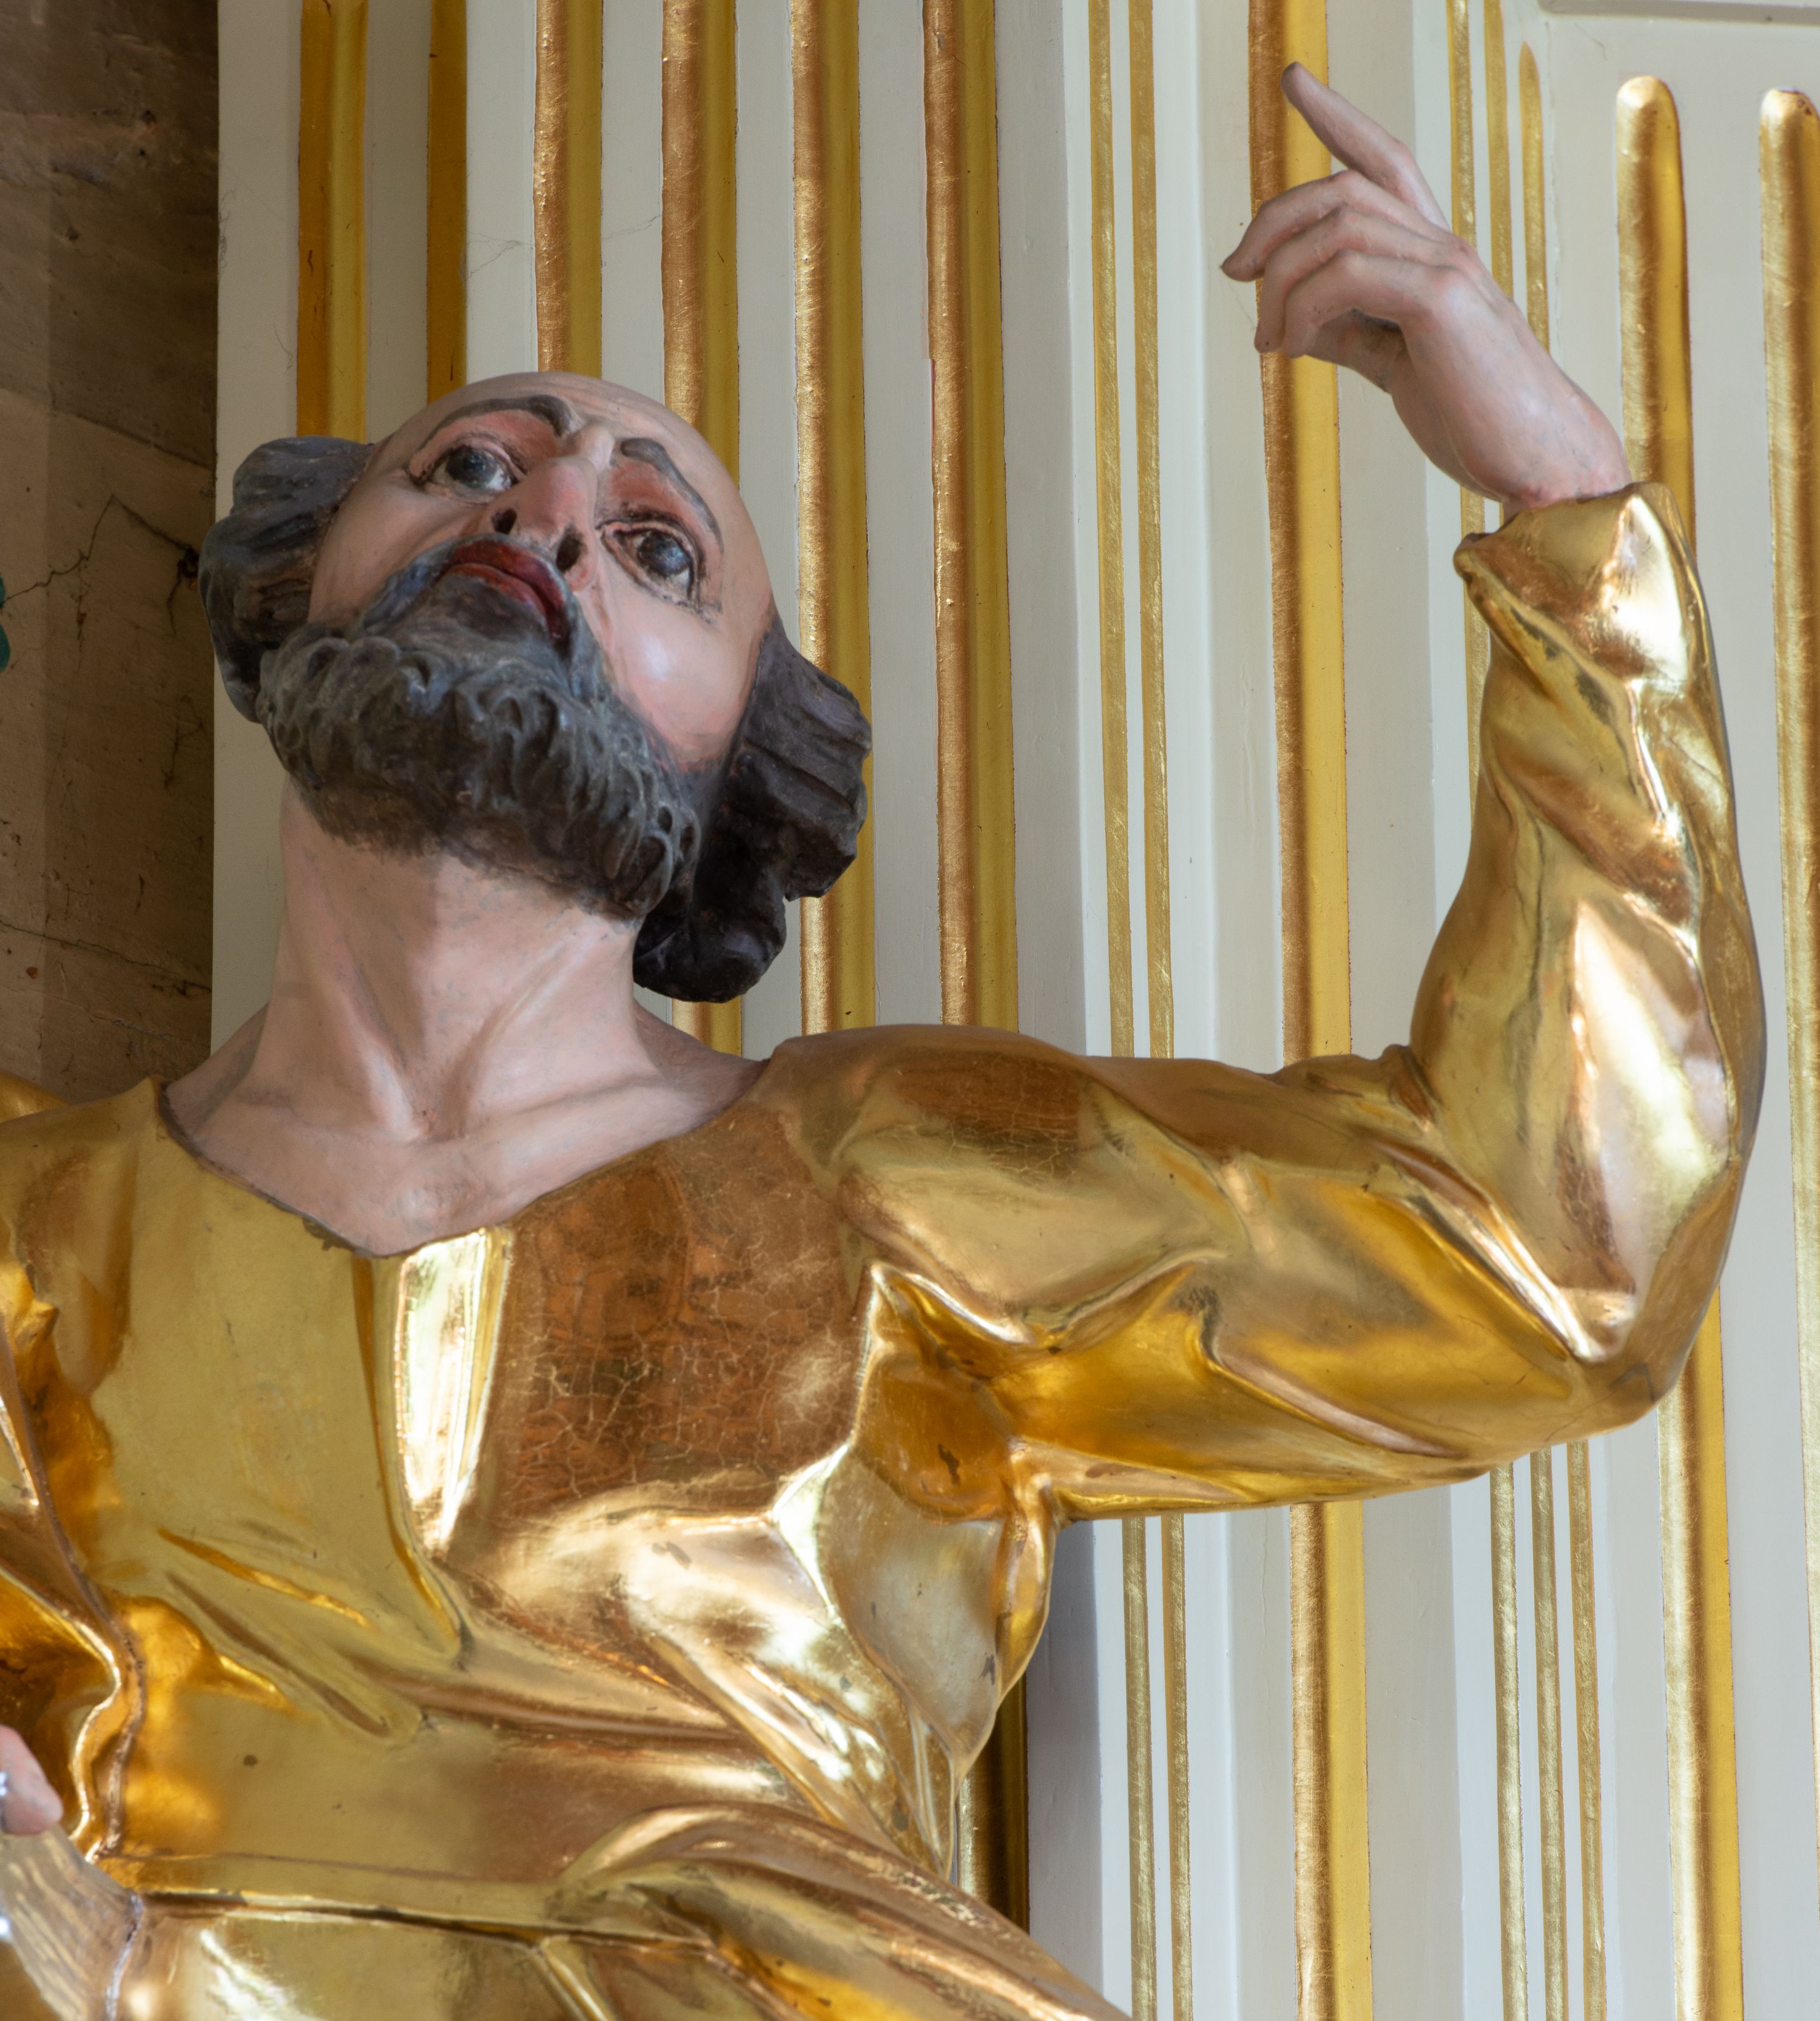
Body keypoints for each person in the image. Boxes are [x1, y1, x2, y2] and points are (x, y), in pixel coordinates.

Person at [0, 69, 1761, 2020]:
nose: (547, 508)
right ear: (293, 582)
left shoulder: (886, 1173)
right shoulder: (29, 1229)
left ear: (739, 761)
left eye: (659, 549)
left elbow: (1540, 1252)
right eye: (470, 463)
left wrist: (1570, 522)